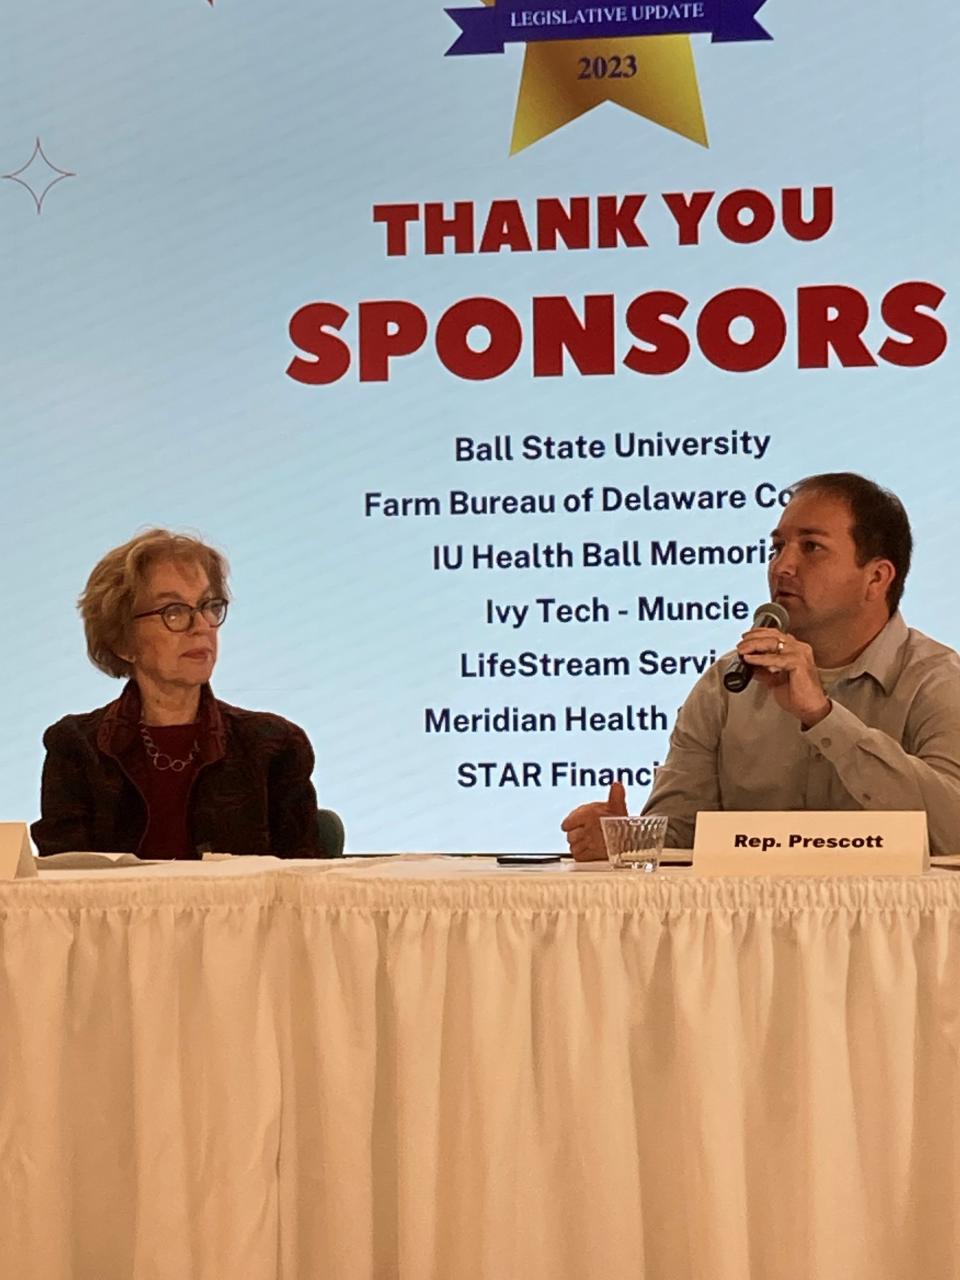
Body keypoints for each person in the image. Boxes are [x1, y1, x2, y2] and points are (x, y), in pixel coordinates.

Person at [562, 472, 960, 857]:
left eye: (811, 547)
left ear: (876, 577)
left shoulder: (938, 682)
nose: (782, 566)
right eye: (777, 547)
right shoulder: (728, 683)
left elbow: (953, 831)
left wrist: (823, 718)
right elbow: (682, 839)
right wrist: (623, 839)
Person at [32, 529, 331, 858]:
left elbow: (302, 891)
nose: (201, 625)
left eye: (208, 606)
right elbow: (61, 892)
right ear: (123, 642)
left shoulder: (274, 747)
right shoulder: (76, 748)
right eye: (173, 611)